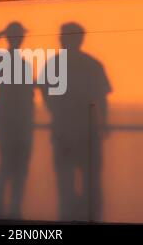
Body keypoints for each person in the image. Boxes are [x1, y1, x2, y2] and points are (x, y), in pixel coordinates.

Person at [40, 22, 111, 221]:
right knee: (91, 184)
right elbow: (102, 98)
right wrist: (103, 124)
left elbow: (45, 91)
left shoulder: (53, 64)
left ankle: (68, 218)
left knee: (65, 184)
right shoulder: (92, 64)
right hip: (87, 132)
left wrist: (56, 111)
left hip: (64, 132)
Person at [0, 22, 34, 219]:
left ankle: (3, 208)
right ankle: (9, 208)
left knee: (10, 163)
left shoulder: (7, 60)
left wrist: (3, 32)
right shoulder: (14, 61)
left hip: (11, 115)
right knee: (15, 164)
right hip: (16, 117)